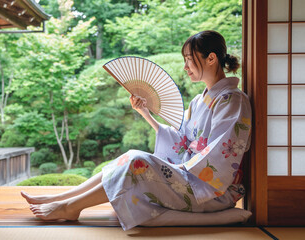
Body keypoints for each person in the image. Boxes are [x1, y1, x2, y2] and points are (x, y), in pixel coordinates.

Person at [21, 30, 251, 231]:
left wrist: (178, 167)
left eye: (189, 60)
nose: (185, 67)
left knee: (135, 159)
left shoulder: (232, 99)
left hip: (212, 190)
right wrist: (146, 114)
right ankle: (62, 197)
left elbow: (224, 151)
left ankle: (70, 207)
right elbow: (182, 140)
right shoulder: (198, 101)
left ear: (211, 58)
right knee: (128, 157)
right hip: (192, 175)